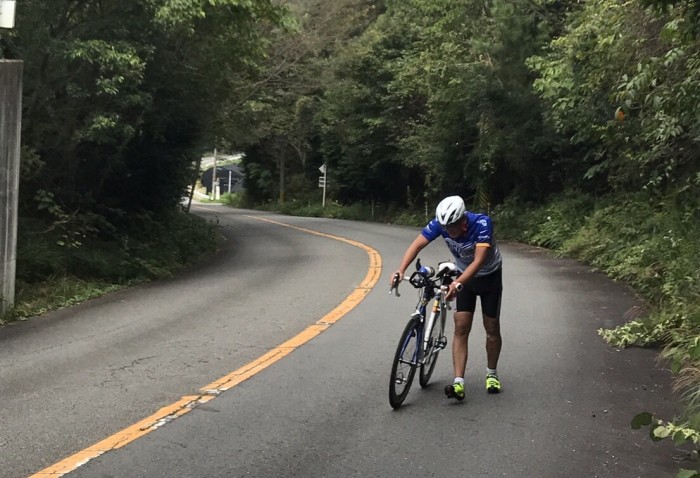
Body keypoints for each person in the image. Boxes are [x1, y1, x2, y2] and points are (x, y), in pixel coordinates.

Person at [391, 195, 503, 401]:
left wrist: (457, 283)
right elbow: (416, 245)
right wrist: (400, 270)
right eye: (445, 227)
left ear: (462, 220)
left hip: (489, 277)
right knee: (461, 326)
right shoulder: (441, 224)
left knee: (492, 328)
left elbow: (479, 261)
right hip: (464, 276)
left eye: (451, 226)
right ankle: (458, 382)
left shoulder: (482, 224)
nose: (448, 231)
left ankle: (492, 373)